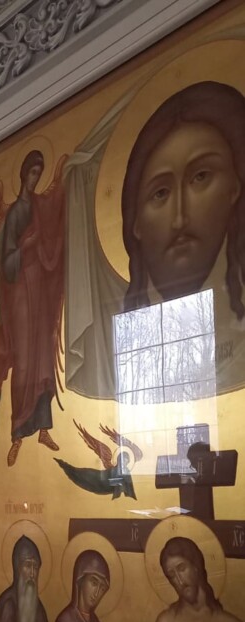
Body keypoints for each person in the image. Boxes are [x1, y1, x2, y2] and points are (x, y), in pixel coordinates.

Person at [121, 81, 245, 392]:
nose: (179, 218)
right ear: (136, 225)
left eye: (200, 177)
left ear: (235, 187)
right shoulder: (138, 362)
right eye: (160, 193)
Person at [0, 150, 66, 466]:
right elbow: (5, 264)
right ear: (22, 175)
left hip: (39, 292)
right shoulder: (15, 214)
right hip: (20, 295)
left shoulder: (40, 207)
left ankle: (43, 429)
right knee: (24, 362)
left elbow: (53, 234)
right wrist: (26, 247)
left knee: (42, 358)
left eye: (39, 174)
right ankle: (17, 434)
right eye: (32, 173)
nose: (35, 179)